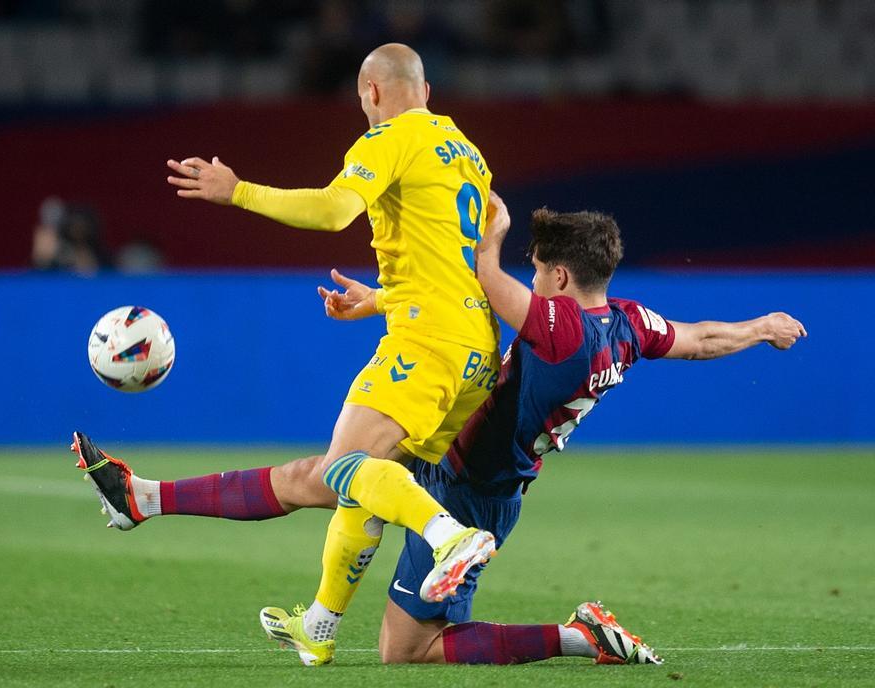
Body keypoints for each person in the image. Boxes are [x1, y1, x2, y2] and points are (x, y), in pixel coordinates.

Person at [73, 193, 805, 667]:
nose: (531, 275)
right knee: (322, 473)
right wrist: (761, 327)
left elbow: (478, 280)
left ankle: (577, 637)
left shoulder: (555, 327)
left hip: (470, 491)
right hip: (455, 460)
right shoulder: (628, 324)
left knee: (407, 650)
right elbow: (702, 337)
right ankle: (145, 498)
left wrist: (497, 229)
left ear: (553, 277)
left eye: (537, 267)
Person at [82, 41, 507, 665]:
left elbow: (335, 211)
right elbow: (461, 253)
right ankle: (318, 622)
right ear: (427, 90)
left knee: (343, 469)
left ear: (372, 93)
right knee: (348, 480)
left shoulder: (387, 138)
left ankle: (450, 538)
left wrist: (240, 192)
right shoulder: (466, 152)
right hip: (475, 348)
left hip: (427, 340)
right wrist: (383, 297)